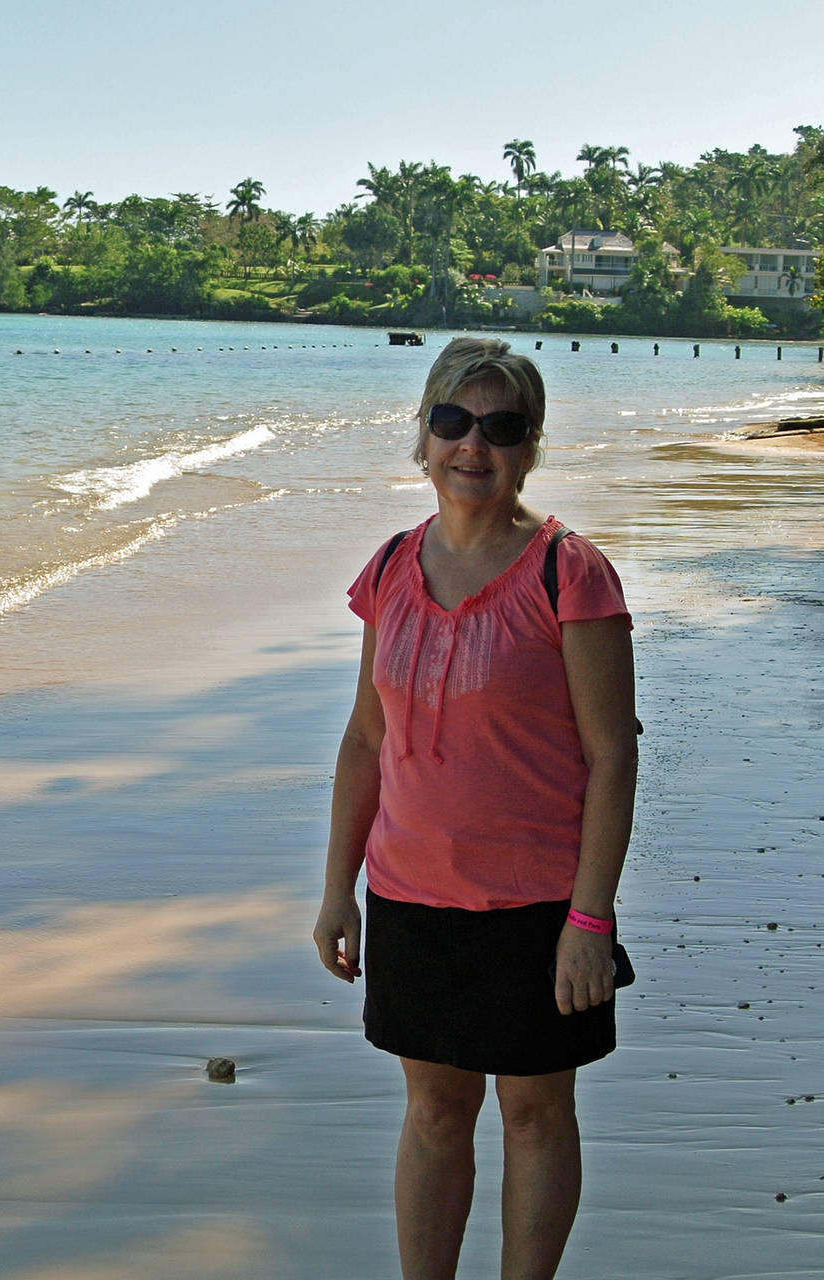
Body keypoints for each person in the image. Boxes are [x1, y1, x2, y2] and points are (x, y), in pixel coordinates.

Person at [313, 336, 638, 1280]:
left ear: (530, 445)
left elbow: (612, 755)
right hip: (413, 894)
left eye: (499, 427)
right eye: (452, 422)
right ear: (422, 435)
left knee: (535, 1116)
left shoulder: (569, 573)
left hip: (537, 905)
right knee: (434, 1110)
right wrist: (339, 890)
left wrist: (589, 918)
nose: (472, 446)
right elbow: (366, 740)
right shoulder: (388, 568)